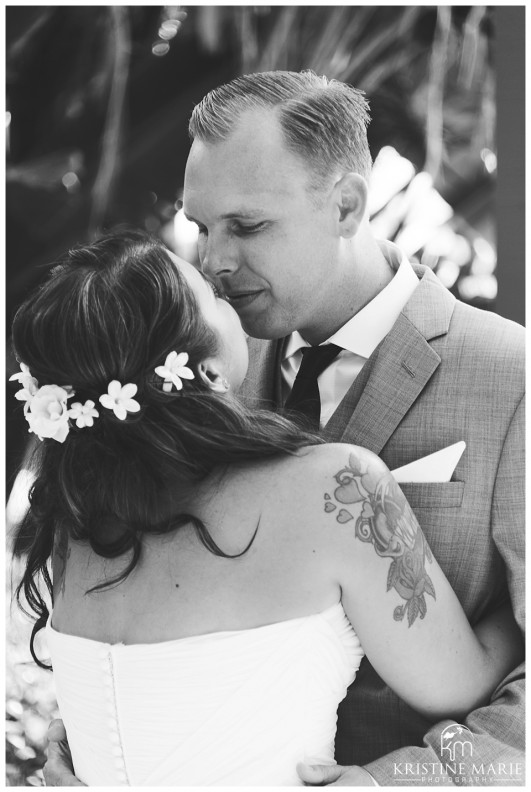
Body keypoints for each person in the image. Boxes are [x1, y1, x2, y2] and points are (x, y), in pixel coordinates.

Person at [43, 70, 525, 785]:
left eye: (247, 225)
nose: (214, 261)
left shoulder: (510, 378)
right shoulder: (191, 370)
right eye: (202, 227)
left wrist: (397, 782)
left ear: (346, 203)